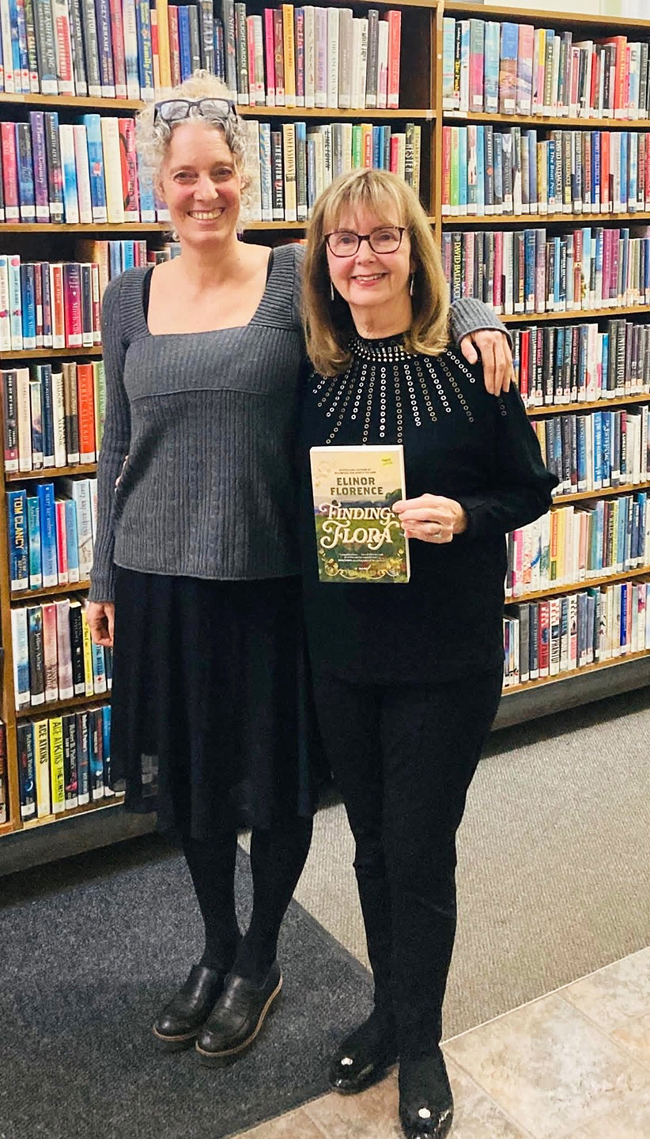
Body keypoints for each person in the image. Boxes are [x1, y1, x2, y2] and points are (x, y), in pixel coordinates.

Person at [86, 72, 516, 1070]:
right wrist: (104, 577)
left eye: (221, 171)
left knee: (272, 783)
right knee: (188, 785)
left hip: (272, 574)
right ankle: (216, 946)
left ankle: (262, 953)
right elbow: (113, 446)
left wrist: (479, 318)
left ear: (246, 176)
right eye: (184, 174)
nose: (204, 191)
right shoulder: (124, 294)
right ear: (158, 182)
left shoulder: (292, 276)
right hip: (156, 580)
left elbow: (395, 277)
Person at [299, 168, 557, 1139]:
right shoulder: (307, 364)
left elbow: (531, 485)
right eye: (343, 241)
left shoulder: (471, 359)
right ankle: (383, 1005)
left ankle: (421, 1041)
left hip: (443, 655)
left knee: (417, 851)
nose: (362, 257)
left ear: (414, 249)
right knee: (368, 844)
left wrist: (467, 512)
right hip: (338, 651)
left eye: (383, 238)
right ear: (323, 260)